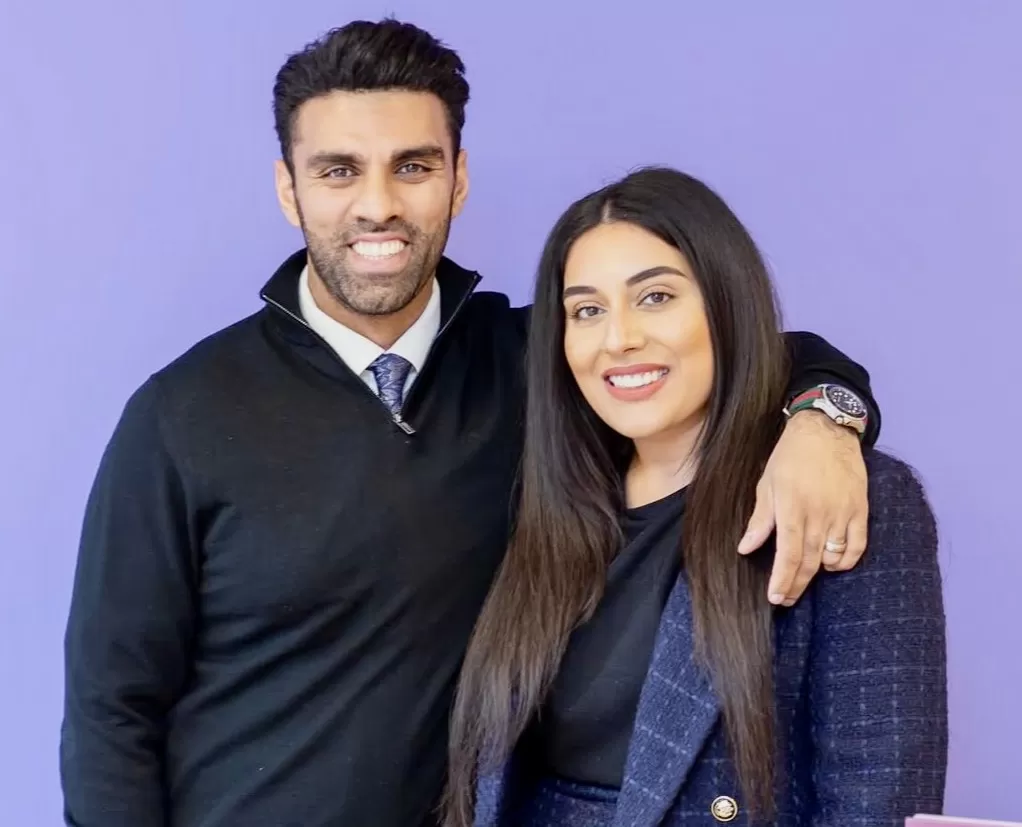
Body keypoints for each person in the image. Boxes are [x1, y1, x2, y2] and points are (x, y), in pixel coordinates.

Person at [61, 20, 887, 827]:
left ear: (457, 180)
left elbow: (742, 351)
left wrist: (824, 418)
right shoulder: (181, 416)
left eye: (413, 166)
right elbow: (111, 711)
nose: (378, 205)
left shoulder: (539, 367)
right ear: (290, 189)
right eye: (339, 170)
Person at [443, 167, 948, 827]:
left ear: (724, 303)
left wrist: (824, 415)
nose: (619, 338)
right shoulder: (546, 497)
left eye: (655, 297)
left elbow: (878, 797)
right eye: (587, 310)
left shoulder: (838, 492)